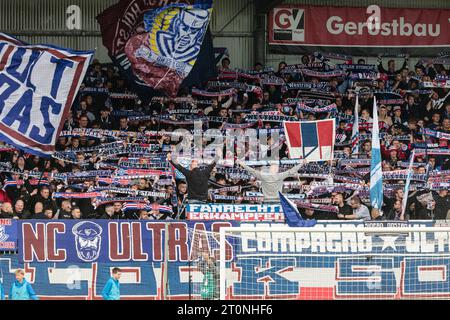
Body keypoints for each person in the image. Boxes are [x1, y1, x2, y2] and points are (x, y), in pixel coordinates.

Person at [236, 159, 305, 202]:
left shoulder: (263, 176)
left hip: (267, 200)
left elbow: (252, 170)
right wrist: (302, 163)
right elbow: (292, 170)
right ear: (276, 169)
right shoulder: (280, 175)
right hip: (277, 200)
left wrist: (241, 164)